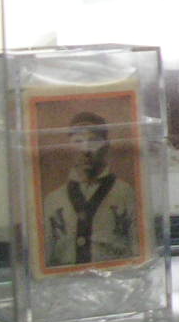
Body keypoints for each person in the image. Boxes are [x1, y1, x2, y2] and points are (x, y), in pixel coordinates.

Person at [42, 113, 141, 268]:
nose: (86, 150)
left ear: (106, 146)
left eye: (94, 141)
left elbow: (138, 252)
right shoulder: (53, 200)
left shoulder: (126, 193)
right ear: (69, 147)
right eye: (78, 141)